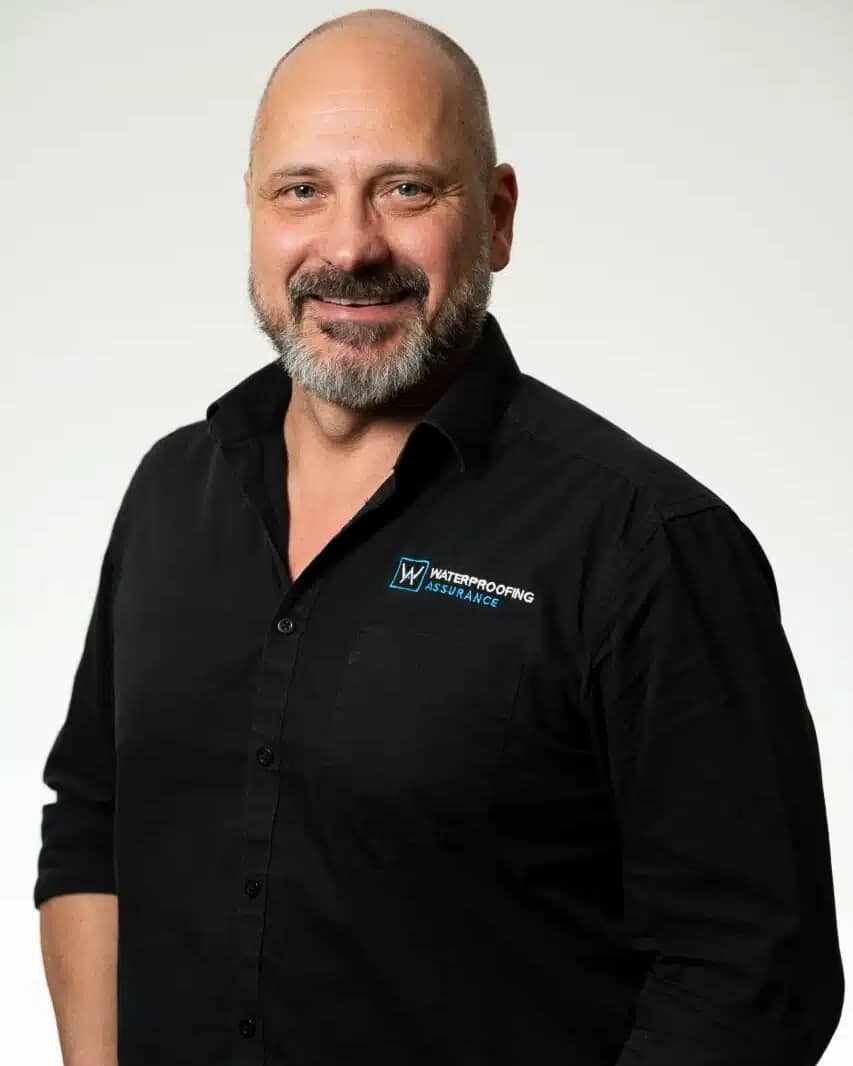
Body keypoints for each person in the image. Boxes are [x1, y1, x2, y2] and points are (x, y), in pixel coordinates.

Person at [35, 8, 844, 1066]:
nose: (349, 246)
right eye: (301, 190)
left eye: (407, 189)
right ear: (252, 210)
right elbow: (92, 821)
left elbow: (751, 975)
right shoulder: (171, 493)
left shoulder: (646, 544)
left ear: (497, 217)